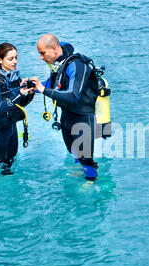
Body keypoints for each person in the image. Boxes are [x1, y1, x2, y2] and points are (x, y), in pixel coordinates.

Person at [31, 34, 99, 181]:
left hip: (82, 118)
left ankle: (91, 183)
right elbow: (52, 85)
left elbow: (73, 96)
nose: (41, 58)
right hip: (67, 117)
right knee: (74, 152)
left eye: (43, 53)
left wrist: (43, 90)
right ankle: (79, 172)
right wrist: (31, 87)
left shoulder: (77, 65)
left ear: (55, 49)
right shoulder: (59, 64)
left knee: (87, 159)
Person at [0, 43, 35, 176]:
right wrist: (20, 94)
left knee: (10, 164)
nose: (15, 62)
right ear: (0, 60)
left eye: (16, 58)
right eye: (10, 59)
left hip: (11, 128)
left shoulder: (14, 79)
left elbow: (20, 104)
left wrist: (29, 92)